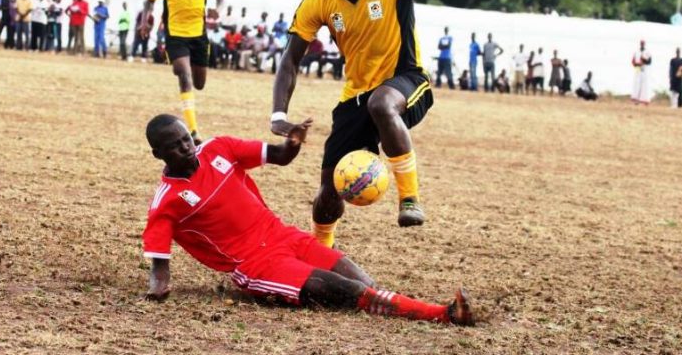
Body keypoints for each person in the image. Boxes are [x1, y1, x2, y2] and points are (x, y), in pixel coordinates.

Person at [270, 0, 513, 245]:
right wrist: (278, 116)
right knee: (328, 191)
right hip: (354, 96)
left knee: (381, 104)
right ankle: (320, 253)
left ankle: (409, 198)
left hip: (407, 80)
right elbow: (290, 60)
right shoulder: (319, 0)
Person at [141, 114, 474, 327]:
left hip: (285, 236)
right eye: (175, 146)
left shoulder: (218, 148)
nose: (187, 148)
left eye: (187, 138)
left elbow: (280, 156)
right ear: (158, 154)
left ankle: (412, 308)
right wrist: (159, 286)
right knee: (351, 291)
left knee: (364, 281)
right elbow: (159, 261)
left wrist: (293, 141)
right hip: (257, 265)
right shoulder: (167, 201)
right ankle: (442, 314)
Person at [141, 0, 225, 145]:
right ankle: (194, 131)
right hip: (175, 34)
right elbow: (149, 1)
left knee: (199, 83)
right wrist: (145, 21)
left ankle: (184, 67)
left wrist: (218, 11)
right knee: (184, 74)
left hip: (199, 35)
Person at [631, 40, 652, 105]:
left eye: (643, 43)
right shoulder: (636, 52)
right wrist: (637, 64)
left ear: (644, 44)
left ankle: (644, 100)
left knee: (645, 85)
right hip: (638, 69)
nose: (642, 44)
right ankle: (636, 100)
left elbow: (649, 62)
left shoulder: (647, 52)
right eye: (641, 43)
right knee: (637, 84)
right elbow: (633, 61)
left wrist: (644, 60)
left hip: (645, 70)